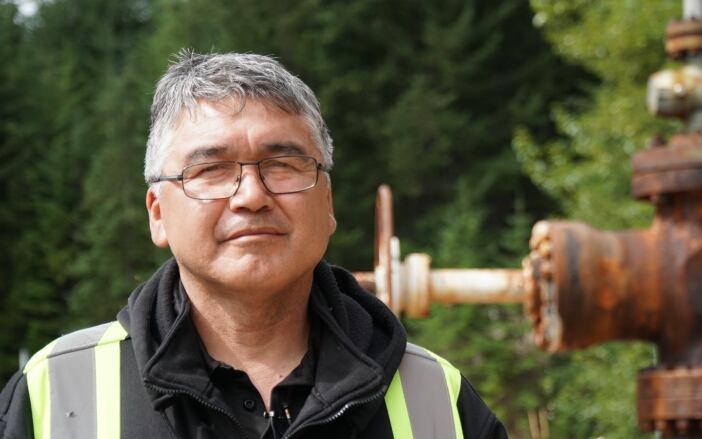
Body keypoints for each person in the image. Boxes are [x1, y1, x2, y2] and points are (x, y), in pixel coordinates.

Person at [0, 51, 507, 438]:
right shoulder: (56, 392)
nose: (251, 195)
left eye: (282, 164)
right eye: (211, 170)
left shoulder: (437, 398)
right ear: (158, 215)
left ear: (327, 203)